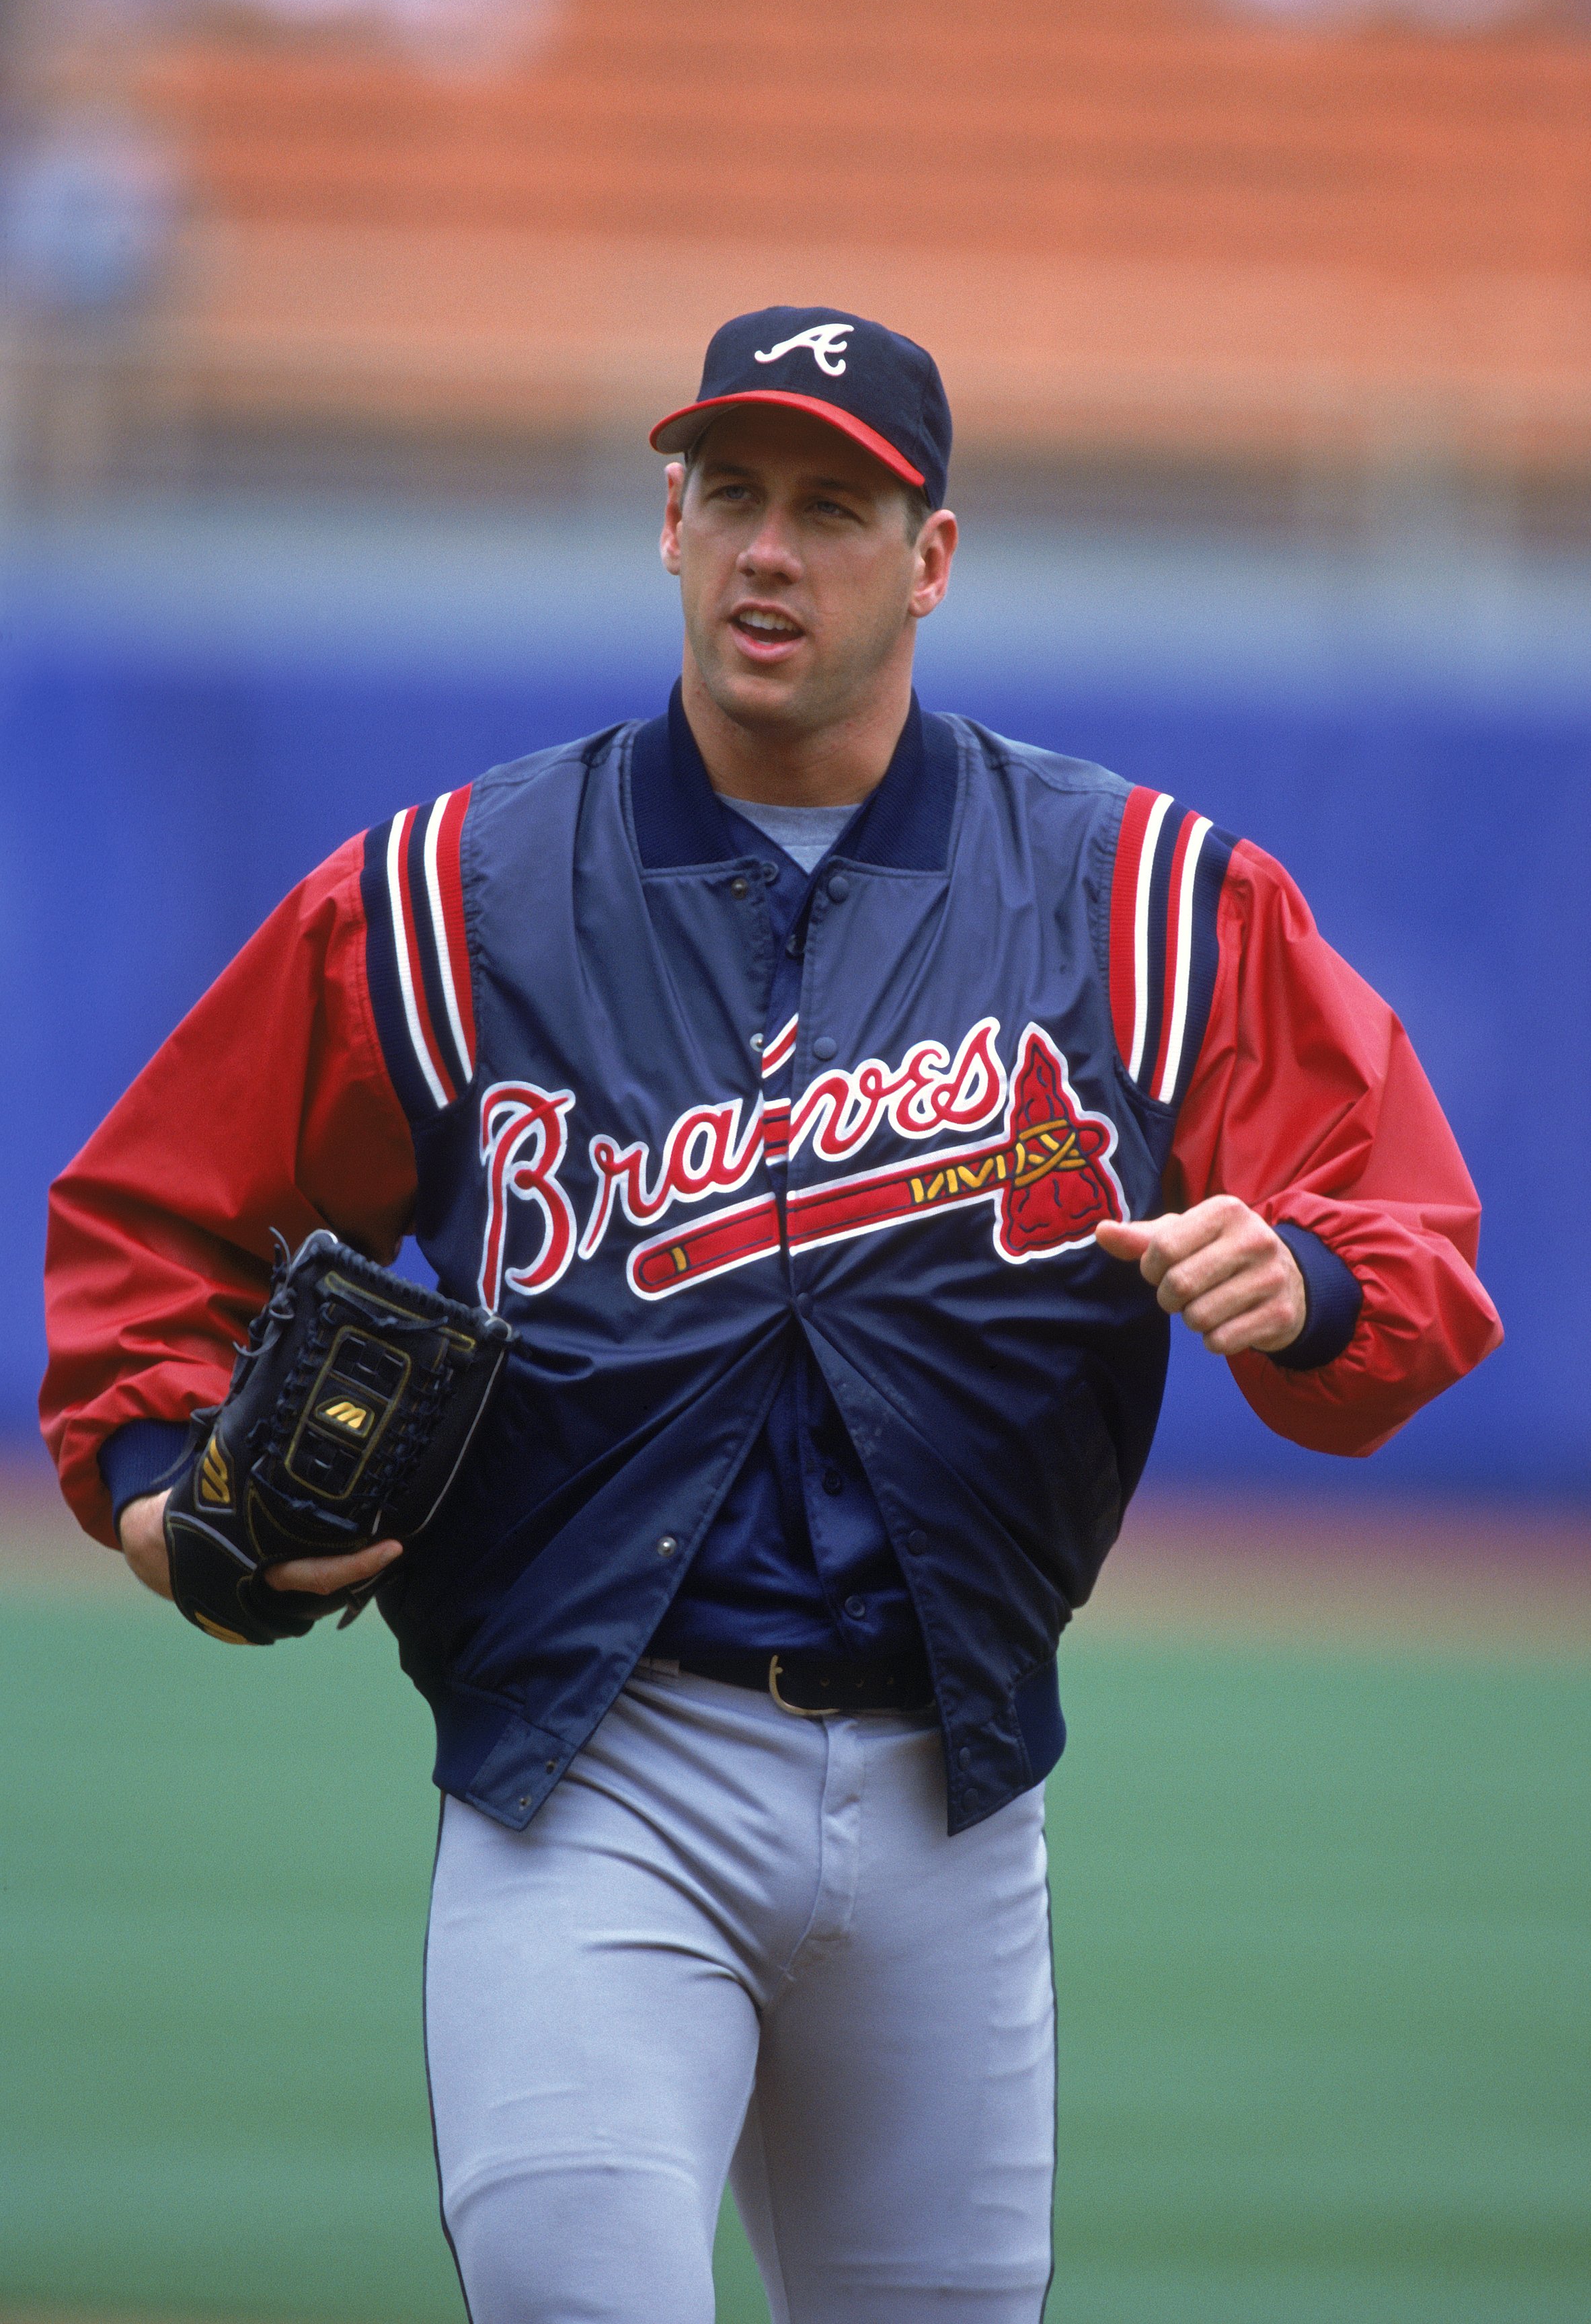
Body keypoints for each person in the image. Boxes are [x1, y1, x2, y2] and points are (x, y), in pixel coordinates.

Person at [41, 305, 1502, 2324]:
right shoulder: (457, 891)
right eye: (730, 494)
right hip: (590, 1776)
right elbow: (153, 1218)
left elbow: (1398, 1235)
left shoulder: (1144, 897)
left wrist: (1316, 1279)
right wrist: (147, 1488)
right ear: (667, 521)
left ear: (934, 558)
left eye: (832, 507)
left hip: (951, 1788)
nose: (768, 550)